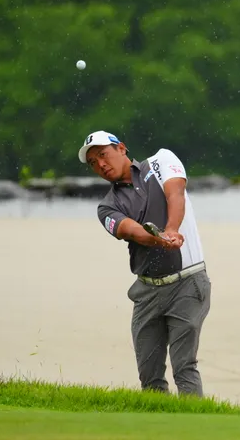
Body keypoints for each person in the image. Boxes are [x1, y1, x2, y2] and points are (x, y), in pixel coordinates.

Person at [78, 130, 212, 397]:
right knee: (149, 377)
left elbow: (176, 194)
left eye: (103, 154)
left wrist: (172, 229)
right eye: (93, 162)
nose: (101, 164)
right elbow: (130, 230)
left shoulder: (162, 160)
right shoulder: (107, 207)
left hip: (187, 282)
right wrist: (157, 239)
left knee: (184, 367)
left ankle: (194, 421)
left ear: (121, 148)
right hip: (147, 292)